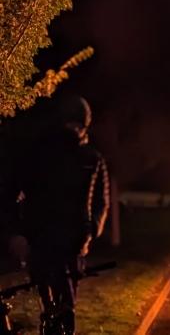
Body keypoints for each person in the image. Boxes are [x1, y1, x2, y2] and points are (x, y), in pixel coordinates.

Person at [14, 96, 109, 334]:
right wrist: (23, 228)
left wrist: (91, 229)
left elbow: (100, 200)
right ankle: (49, 314)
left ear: (85, 126)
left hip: (75, 238)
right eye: (69, 124)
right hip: (42, 234)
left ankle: (63, 320)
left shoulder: (92, 158)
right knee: (46, 289)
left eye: (78, 125)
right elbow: (24, 190)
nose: (73, 130)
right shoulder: (42, 154)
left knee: (68, 295)